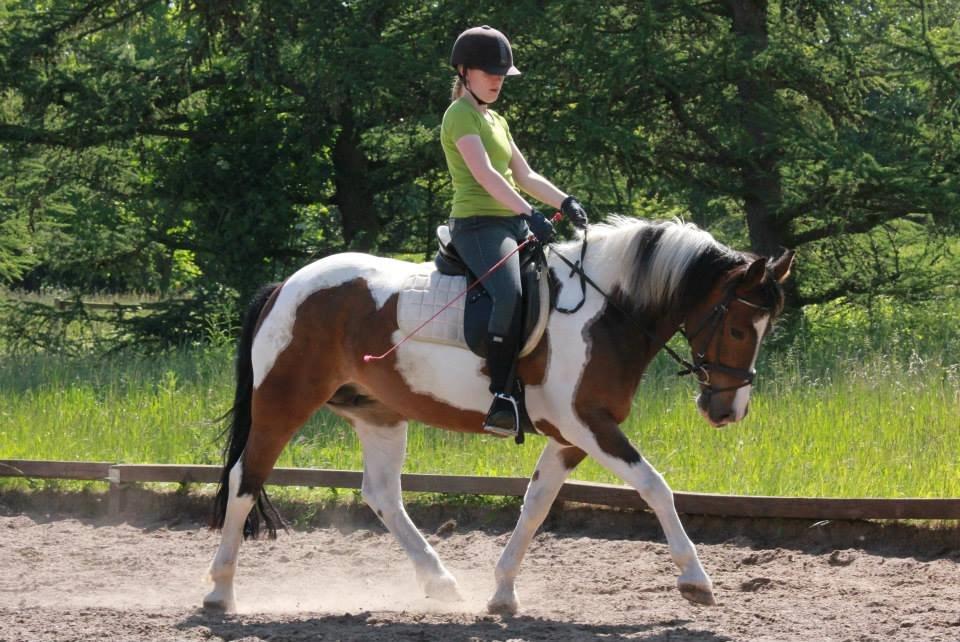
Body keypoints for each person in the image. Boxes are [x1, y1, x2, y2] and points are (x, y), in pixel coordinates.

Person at [441, 25, 589, 437]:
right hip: (477, 225)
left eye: (502, 75)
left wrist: (563, 201)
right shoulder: (459, 116)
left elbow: (522, 173)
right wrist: (531, 213)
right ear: (464, 71)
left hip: (510, 221)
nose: (496, 81)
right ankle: (502, 396)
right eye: (489, 73)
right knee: (510, 292)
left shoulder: (497, 120)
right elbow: (486, 175)